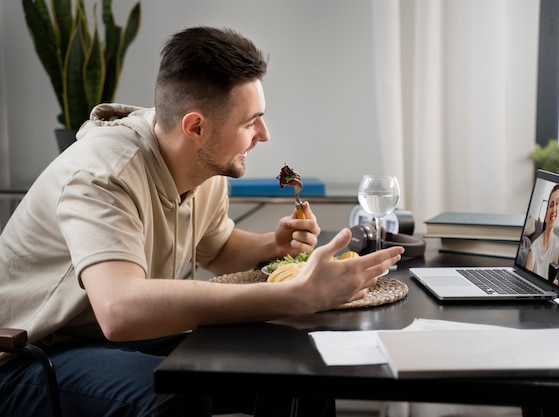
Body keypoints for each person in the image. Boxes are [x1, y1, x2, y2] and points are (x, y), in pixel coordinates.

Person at [0, 26, 404, 417]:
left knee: (302, 367)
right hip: (31, 356)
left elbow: (219, 249)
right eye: (250, 121)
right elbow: (120, 311)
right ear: (195, 126)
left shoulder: (200, 164)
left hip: (117, 343)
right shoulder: (104, 175)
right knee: (175, 393)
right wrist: (297, 296)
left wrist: (274, 245)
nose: (264, 133)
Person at [525, 184, 559, 284]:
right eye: (551, 205)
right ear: (545, 215)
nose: (554, 209)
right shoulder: (534, 247)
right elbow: (525, 280)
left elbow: (554, 277)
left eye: (557, 203)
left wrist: (554, 282)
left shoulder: (556, 242)